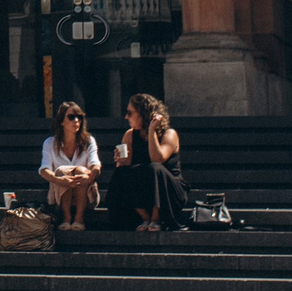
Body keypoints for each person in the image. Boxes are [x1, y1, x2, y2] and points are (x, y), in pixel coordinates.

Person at [107, 94, 190, 232]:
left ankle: (156, 219)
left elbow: (157, 159)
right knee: (121, 172)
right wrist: (120, 162)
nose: (126, 117)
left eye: (130, 113)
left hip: (169, 191)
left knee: (154, 167)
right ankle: (145, 217)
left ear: (143, 114)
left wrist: (151, 131)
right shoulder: (129, 135)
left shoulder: (169, 134)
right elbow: (125, 170)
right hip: (143, 192)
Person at [39, 101, 102, 230]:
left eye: (79, 117)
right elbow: (44, 169)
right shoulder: (50, 143)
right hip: (60, 194)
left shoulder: (88, 141)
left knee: (80, 170)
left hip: (85, 194)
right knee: (62, 170)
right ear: (62, 121)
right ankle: (66, 217)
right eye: (71, 117)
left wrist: (89, 176)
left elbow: (95, 164)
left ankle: (79, 218)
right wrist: (59, 179)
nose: (76, 121)